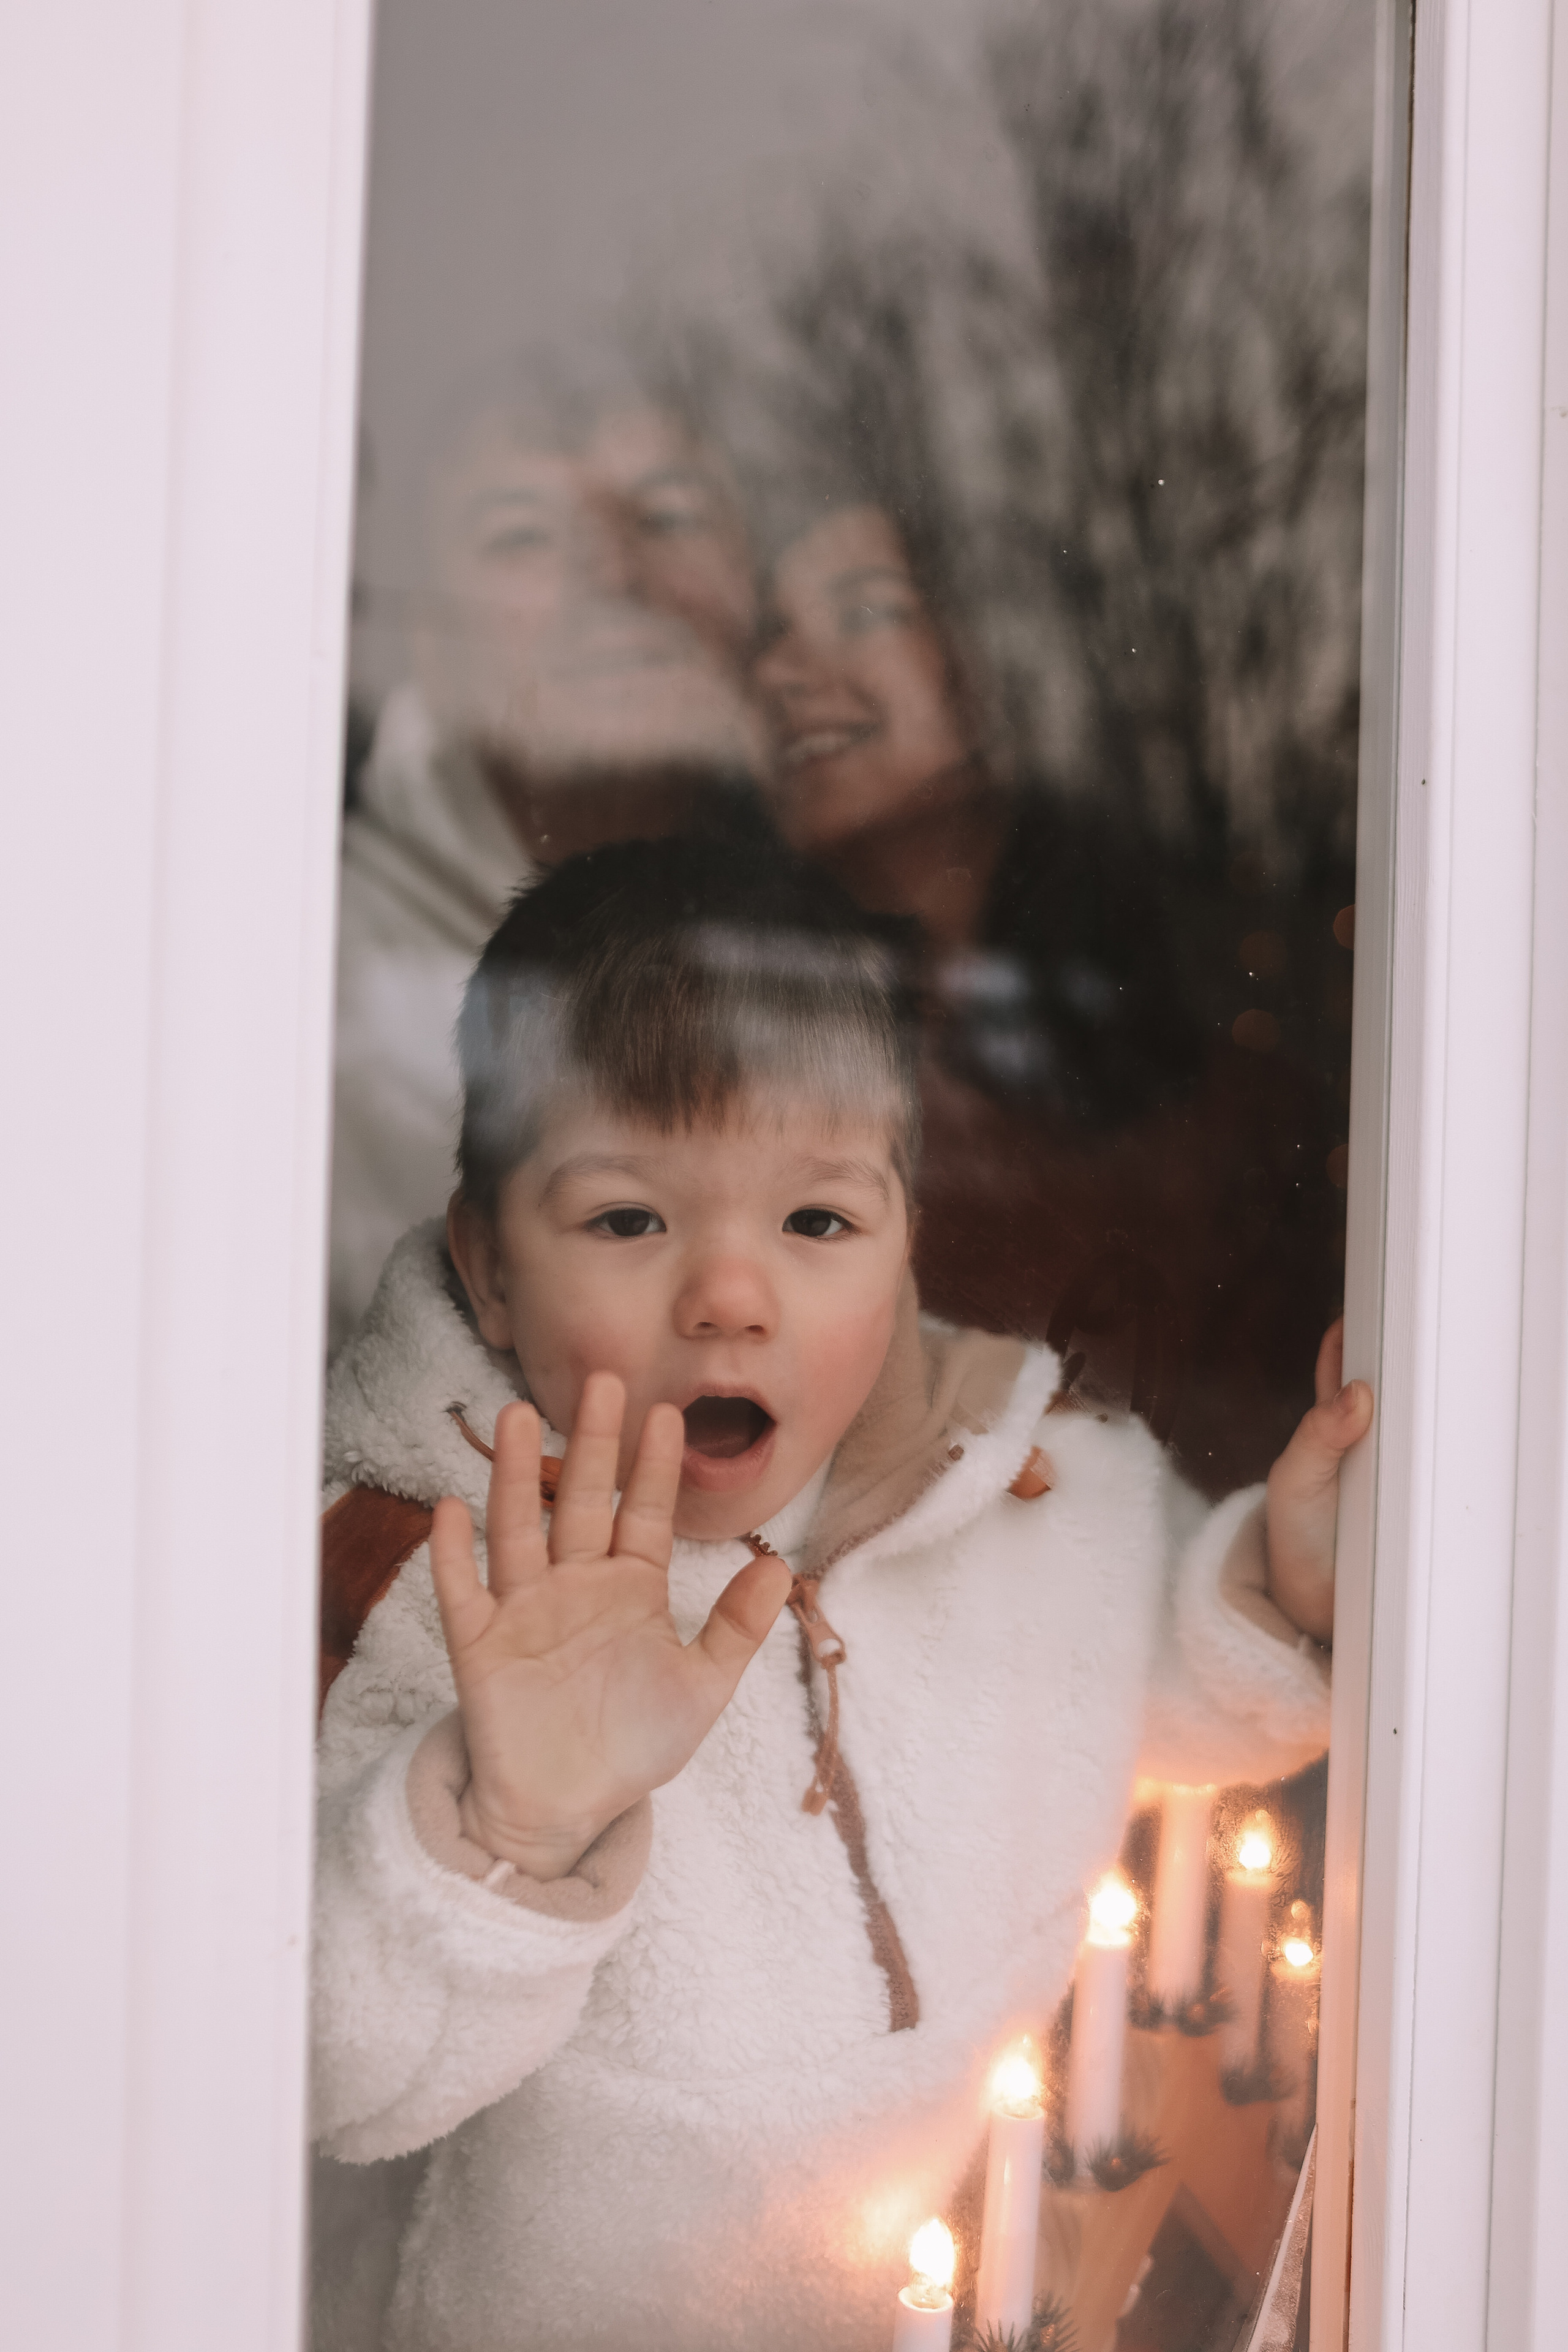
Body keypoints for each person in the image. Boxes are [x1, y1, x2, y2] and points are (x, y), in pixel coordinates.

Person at [310, 836, 1370, 2351]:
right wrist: (505, 1829)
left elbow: (1152, 1681)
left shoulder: (1010, 1482)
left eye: (815, 1224)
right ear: (487, 1268)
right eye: (629, 1220)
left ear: (903, 1249)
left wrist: (1277, 1589)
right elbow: (309, 2074)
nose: (730, 1294)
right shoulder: (417, 1576)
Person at [753, 498, 1351, 1494]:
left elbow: (1259, 1510)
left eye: (864, 612)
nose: (782, 673)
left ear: (995, 669)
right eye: (769, 639)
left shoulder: (1242, 1127)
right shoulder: (724, 1059)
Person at [329, 372, 769, 1353]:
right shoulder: (313, 1002)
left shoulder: (855, 948)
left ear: (747, 593)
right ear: (432, 648)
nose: (614, 568)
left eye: (670, 512)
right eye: (522, 534)